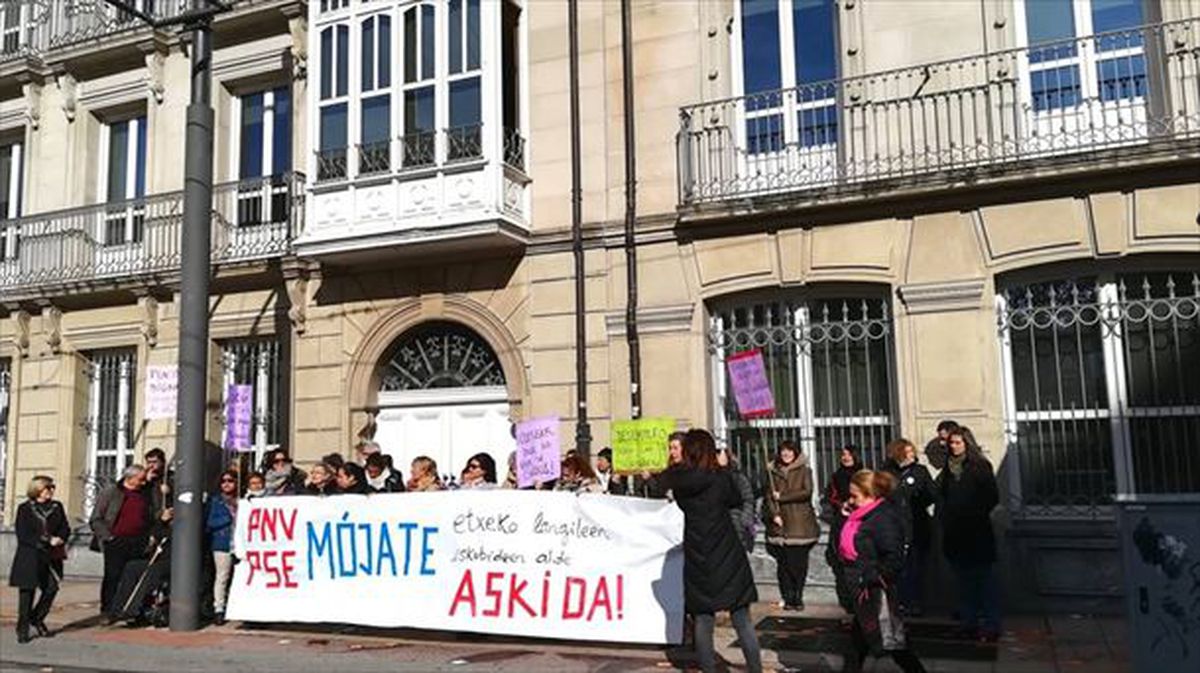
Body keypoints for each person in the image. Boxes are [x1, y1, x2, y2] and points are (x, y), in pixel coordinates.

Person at [660, 429, 762, 673]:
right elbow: (735, 498)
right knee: (742, 620)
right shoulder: (719, 479)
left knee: (703, 621)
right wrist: (726, 468)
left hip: (698, 556)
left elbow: (664, 482)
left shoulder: (680, 482)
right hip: (727, 554)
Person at [839, 470, 927, 673]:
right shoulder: (859, 515)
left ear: (871, 494)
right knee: (860, 642)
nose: (850, 500)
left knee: (891, 641)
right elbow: (846, 543)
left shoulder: (882, 518)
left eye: (855, 496)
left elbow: (894, 558)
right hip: (861, 587)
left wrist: (872, 576)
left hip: (874, 588)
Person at [938, 426, 1001, 642]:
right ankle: (968, 622)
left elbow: (992, 497)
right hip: (955, 534)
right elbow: (943, 496)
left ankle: (991, 625)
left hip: (976, 532)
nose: (953, 447)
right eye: (951, 443)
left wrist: (970, 513)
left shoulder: (979, 466)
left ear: (967, 443)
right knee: (963, 583)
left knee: (984, 581)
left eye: (958, 443)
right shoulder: (948, 468)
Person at [10, 476, 69, 643]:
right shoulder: (25, 508)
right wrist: (45, 540)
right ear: (37, 489)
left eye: (52, 487)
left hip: (51, 556)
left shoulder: (57, 507)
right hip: (30, 556)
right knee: (27, 592)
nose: (51, 491)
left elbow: (65, 527)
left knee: (51, 588)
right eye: (47, 488)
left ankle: (36, 617)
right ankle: (22, 628)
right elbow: (23, 534)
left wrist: (61, 538)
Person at [882, 438, 936, 616]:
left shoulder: (920, 471)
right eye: (908, 452)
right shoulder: (887, 473)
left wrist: (918, 500)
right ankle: (899, 602)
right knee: (898, 568)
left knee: (916, 567)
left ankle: (915, 602)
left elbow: (932, 494)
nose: (912, 455)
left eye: (912, 452)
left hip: (917, 525)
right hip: (894, 526)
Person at [764, 440, 819, 611]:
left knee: (798, 563)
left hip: (800, 524)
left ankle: (798, 595)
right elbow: (769, 496)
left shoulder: (805, 471)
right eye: (783, 451)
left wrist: (782, 496)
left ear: (795, 453)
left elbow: (807, 492)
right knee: (784, 565)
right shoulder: (773, 472)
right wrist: (774, 514)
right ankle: (788, 597)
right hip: (781, 525)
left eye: (789, 451)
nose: (786, 454)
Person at [90, 464, 151, 615]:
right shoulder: (112, 492)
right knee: (113, 577)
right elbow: (96, 518)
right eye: (140, 480)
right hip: (116, 542)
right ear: (129, 478)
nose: (143, 483)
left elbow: (149, 515)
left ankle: (129, 609)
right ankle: (108, 610)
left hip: (138, 541)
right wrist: (108, 537)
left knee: (133, 576)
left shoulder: (144, 493)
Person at [824, 445, 864, 613]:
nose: (845, 457)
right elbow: (831, 496)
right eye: (843, 455)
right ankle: (847, 603)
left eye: (848, 454)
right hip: (842, 520)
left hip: (861, 520)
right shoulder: (837, 476)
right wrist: (842, 505)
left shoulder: (863, 475)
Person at [206, 470, 239, 626]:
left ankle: (237, 606)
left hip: (240, 542)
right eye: (224, 481)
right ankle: (219, 608)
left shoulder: (242, 500)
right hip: (222, 543)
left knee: (239, 577)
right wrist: (228, 517)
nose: (227, 483)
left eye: (230, 480)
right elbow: (210, 523)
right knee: (222, 576)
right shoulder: (216, 501)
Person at [717, 445, 755, 552]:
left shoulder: (738, 477)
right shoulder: (709, 476)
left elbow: (748, 499)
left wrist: (744, 520)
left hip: (736, 522)